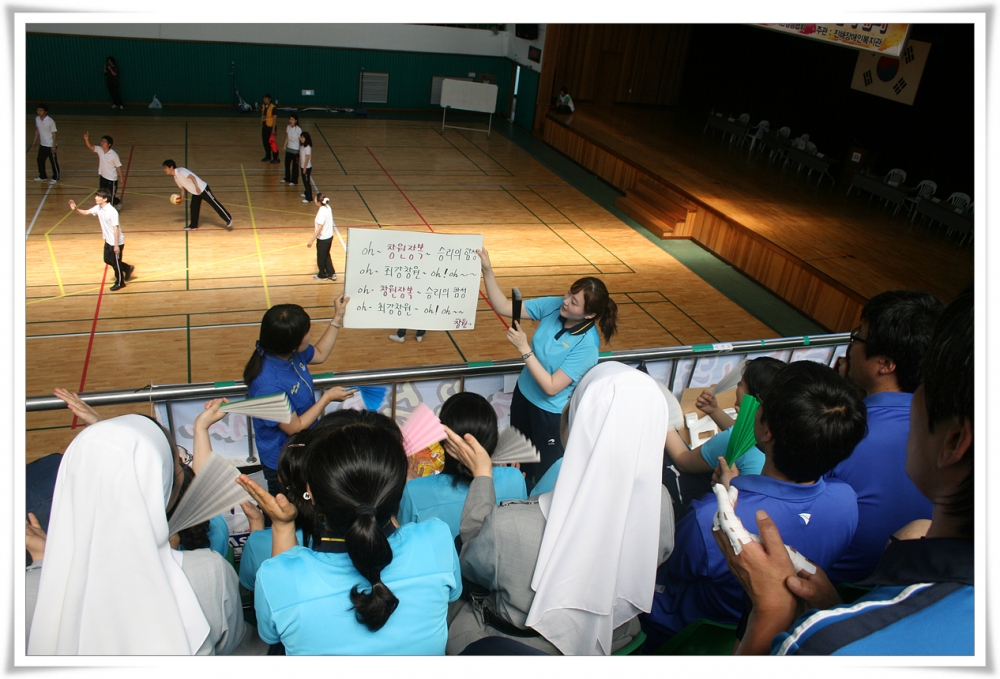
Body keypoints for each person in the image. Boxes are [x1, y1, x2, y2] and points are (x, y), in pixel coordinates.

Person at [718, 285, 973, 655]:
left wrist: (770, 613)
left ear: (955, 441)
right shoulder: (859, 506)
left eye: (928, 385)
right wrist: (834, 604)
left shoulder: (821, 644)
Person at [445, 362, 675, 655]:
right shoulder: (660, 505)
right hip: (618, 639)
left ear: (575, 427)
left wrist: (482, 476)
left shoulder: (509, 525)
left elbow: (471, 560)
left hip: (516, 646)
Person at [640, 360, 866, 651]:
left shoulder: (712, 520)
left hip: (676, 632)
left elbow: (667, 565)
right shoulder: (847, 501)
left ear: (767, 430)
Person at [237, 409, 462, 655]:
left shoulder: (275, 576)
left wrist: (282, 526)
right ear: (400, 484)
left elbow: (273, 635)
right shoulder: (437, 539)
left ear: (309, 492)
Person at [26, 414, 252, 654]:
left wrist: (41, 565)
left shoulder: (26, 592)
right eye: (176, 465)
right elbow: (236, 649)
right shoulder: (211, 571)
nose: (181, 469)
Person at [824, 290, 944, 584]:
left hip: (835, 591)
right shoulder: (949, 432)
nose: (851, 348)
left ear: (885, 364)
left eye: (857, 337)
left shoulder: (838, 432)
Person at [479, 247, 618, 487]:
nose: (565, 301)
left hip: (549, 415)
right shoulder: (554, 306)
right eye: (569, 293)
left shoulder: (587, 346)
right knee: (517, 462)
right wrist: (488, 271)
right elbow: (503, 306)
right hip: (523, 397)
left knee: (545, 475)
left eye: (574, 302)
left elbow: (552, 387)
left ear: (589, 315)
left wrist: (524, 348)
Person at [243, 300, 356, 496]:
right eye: (306, 332)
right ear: (294, 343)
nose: (310, 334)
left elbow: (320, 353)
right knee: (286, 504)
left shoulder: (290, 354)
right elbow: (295, 427)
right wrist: (327, 398)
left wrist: (337, 317)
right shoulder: (268, 385)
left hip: (304, 447)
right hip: (284, 461)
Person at [398, 391, 527, 538]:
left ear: (443, 440)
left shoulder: (413, 491)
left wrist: (413, 488)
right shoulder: (515, 478)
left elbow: (404, 541)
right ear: (494, 441)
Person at [665, 356, 785, 478]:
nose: (737, 385)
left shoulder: (729, 440)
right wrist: (714, 411)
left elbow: (683, 461)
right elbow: (744, 434)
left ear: (751, 398)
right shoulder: (784, 437)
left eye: (741, 384)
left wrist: (665, 416)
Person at [238, 430, 314, 591]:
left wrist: (256, 525)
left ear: (280, 477)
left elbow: (252, 586)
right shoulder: (358, 533)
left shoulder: (259, 542)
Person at [68, 189, 133, 291]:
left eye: (98, 196)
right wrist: (75, 209)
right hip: (108, 240)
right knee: (107, 259)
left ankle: (120, 282)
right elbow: (86, 212)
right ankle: (127, 268)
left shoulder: (112, 211)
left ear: (105, 199)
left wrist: (116, 245)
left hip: (116, 241)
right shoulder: (99, 208)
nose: (96, 198)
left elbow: (116, 228)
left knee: (116, 264)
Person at [162, 159, 233, 231]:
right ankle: (193, 226)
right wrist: (181, 199)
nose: (164, 170)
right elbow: (182, 189)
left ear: (171, 167)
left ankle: (228, 218)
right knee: (193, 207)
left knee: (214, 203)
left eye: (165, 168)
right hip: (195, 192)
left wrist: (197, 187)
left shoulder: (181, 171)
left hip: (202, 189)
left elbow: (192, 177)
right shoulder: (176, 178)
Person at [83, 131, 123, 207]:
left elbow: (118, 167)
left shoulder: (114, 155)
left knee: (110, 196)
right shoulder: (99, 150)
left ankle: (112, 208)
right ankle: (118, 201)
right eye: (102, 141)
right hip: (103, 177)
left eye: (104, 142)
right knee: (103, 195)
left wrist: (121, 178)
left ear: (109, 144)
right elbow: (91, 146)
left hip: (111, 179)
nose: (102, 143)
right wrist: (86, 139)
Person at [306, 192, 337, 281]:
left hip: (323, 238)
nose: (314, 199)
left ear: (319, 202)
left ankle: (322, 275)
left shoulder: (321, 212)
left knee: (321, 258)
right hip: (329, 236)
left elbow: (319, 228)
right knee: (326, 255)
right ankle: (331, 273)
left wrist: (311, 240)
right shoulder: (328, 207)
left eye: (315, 198)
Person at [30, 104, 59, 184]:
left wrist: (54, 146)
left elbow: (54, 133)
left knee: (53, 162)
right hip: (42, 144)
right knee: (40, 160)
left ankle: (56, 177)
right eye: (38, 110)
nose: (39, 112)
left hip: (50, 145)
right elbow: (37, 130)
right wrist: (34, 141)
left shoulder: (50, 121)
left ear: (45, 112)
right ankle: (43, 176)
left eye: (41, 110)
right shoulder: (37, 119)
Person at [282, 113, 302, 186]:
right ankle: (287, 178)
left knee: (295, 166)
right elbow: (287, 137)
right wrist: (285, 146)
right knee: (287, 164)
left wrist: (300, 151)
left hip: (295, 150)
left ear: (295, 121)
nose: (290, 121)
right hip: (289, 149)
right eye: (290, 119)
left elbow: (300, 140)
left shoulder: (298, 130)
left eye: (292, 119)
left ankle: (294, 180)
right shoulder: (288, 127)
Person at [260, 93, 279, 163]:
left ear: (270, 99)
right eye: (264, 98)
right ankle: (268, 156)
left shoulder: (273, 107)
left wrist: (273, 129)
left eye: (266, 98)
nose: (264, 99)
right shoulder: (263, 106)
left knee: (272, 143)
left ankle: (276, 158)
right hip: (265, 126)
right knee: (265, 142)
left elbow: (275, 118)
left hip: (271, 128)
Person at [299, 132, 313, 204]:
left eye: (302, 137)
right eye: (301, 137)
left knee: (307, 182)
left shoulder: (308, 147)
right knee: (304, 181)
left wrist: (304, 168)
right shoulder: (302, 146)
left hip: (307, 168)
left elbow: (307, 158)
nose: (301, 139)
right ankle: (306, 193)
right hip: (302, 166)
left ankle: (309, 198)